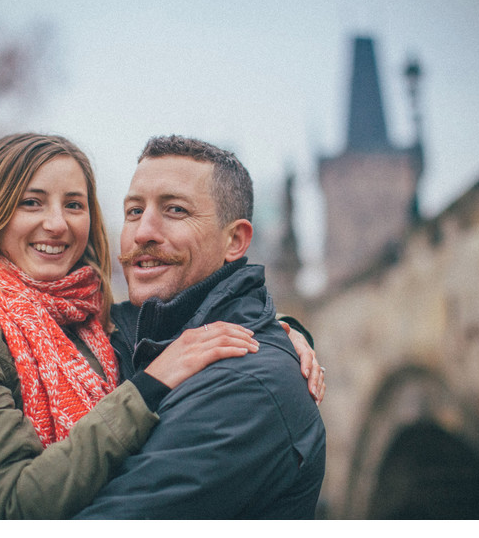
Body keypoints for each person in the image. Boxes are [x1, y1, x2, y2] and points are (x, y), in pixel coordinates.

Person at [0, 133, 322, 519]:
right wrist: (151, 385)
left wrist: (274, 329)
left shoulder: (88, 321)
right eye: (31, 202)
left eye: (74, 205)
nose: (57, 223)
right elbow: (11, 506)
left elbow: (180, 324)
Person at [74, 135, 326, 519]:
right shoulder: (115, 337)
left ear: (235, 240)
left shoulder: (250, 386)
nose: (144, 232)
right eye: (133, 211)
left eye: (175, 210)